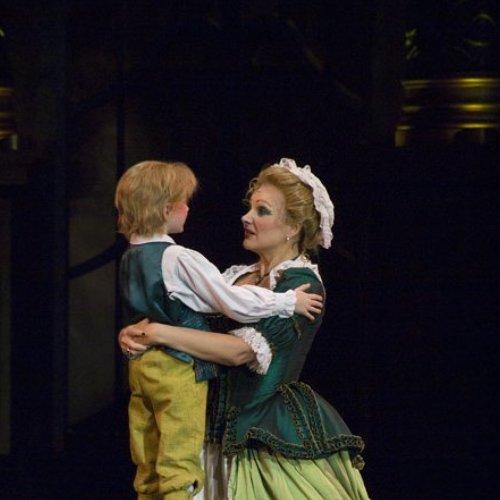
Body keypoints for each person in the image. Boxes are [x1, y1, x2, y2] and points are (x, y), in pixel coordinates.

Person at [120, 158, 370, 499]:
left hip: (261, 438)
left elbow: (239, 352)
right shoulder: (237, 278)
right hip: (202, 438)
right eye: (249, 208)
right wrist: (138, 332)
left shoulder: (301, 286)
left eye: (261, 211)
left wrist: (158, 334)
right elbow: (179, 317)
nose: (246, 218)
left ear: (293, 227)